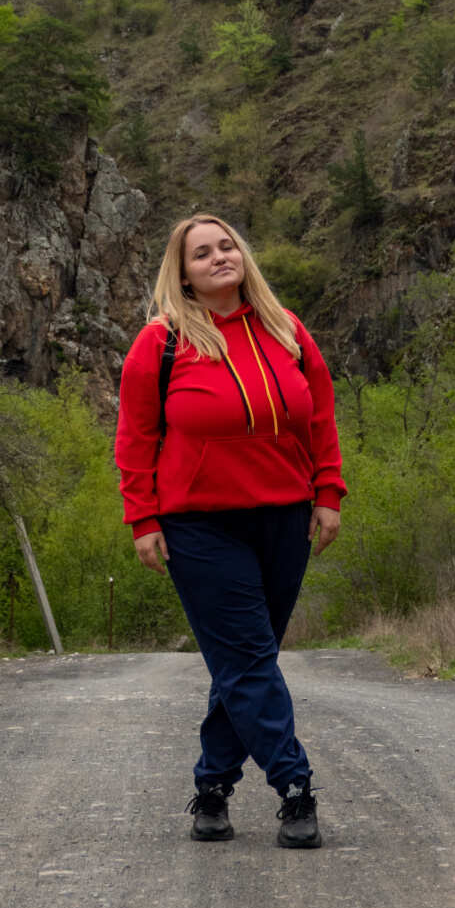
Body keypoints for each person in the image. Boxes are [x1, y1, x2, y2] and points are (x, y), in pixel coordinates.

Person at [114, 212, 345, 849]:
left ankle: (213, 785)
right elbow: (135, 439)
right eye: (201, 253)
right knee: (247, 660)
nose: (219, 257)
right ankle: (294, 789)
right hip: (198, 526)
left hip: (284, 518)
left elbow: (319, 416)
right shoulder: (159, 343)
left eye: (226, 246)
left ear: (242, 255)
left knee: (248, 662)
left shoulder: (287, 329)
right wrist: (142, 518)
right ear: (182, 275)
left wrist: (328, 493)